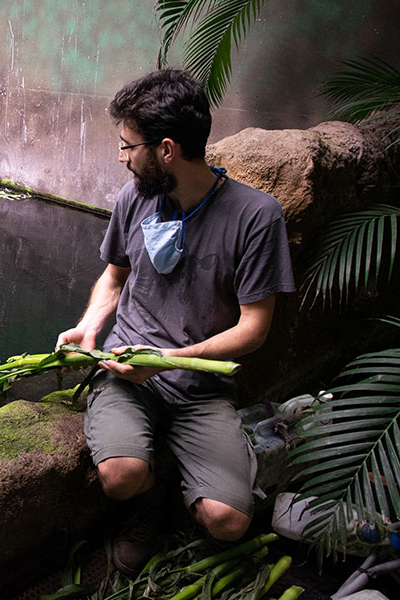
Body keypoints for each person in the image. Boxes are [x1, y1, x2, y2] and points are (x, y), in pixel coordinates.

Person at [55, 69, 296, 577]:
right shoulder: (135, 198)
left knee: (229, 521)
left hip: (200, 385)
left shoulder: (257, 216)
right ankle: (152, 502)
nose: (122, 157)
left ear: (166, 149)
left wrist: (169, 361)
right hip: (125, 370)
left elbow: (254, 328)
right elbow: (113, 276)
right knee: (120, 476)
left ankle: (201, 480)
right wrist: (90, 328)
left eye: (128, 145)